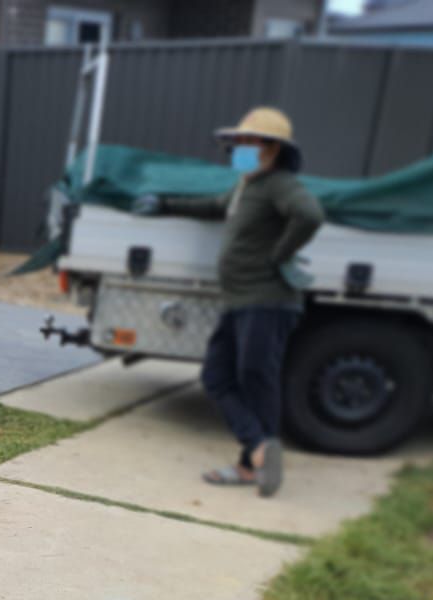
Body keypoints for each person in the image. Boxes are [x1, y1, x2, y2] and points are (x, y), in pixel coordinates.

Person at [133, 107, 324, 498]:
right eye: (238, 143)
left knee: (256, 377)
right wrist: (165, 204)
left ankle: (250, 463)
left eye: (249, 142)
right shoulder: (246, 186)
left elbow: (309, 214)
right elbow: (212, 206)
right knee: (218, 377)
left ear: (272, 149)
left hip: (267, 301)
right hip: (241, 300)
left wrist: (278, 254)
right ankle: (258, 448)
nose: (240, 149)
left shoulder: (279, 183)